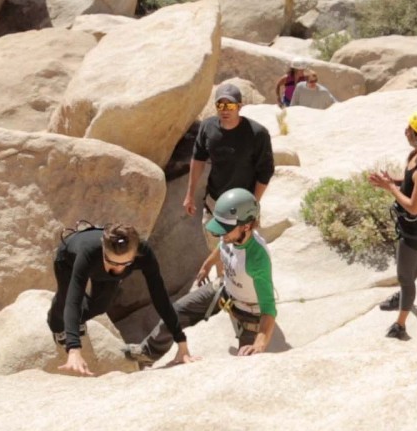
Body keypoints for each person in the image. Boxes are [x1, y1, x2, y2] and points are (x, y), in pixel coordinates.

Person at [125, 188, 278, 366]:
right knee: (175, 312)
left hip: (249, 314)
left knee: (246, 363)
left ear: (247, 225)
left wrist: (259, 344)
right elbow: (223, 247)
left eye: (225, 230)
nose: (221, 233)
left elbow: (269, 309)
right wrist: (207, 265)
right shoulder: (231, 234)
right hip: (225, 289)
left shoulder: (257, 259)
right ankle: (148, 352)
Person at [48, 221, 189, 375]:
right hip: (69, 260)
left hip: (99, 266)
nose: (118, 269)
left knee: (99, 307)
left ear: (135, 254)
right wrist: (73, 349)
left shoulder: (144, 253)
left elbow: (160, 296)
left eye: (126, 263)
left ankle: (77, 319)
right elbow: (73, 301)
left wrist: (181, 341)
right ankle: (55, 322)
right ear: (103, 249)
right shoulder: (89, 252)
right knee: (66, 299)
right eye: (112, 262)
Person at [368, 109, 417, 340]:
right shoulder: (416, 154)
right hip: (407, 225)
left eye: (410, 129)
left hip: (415, 229)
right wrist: (394, 182)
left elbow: (413, 207)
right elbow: (409, 182)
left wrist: (389, 188)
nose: (406, 131)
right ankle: (403, 296)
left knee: (405, 277)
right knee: (405, 265)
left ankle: (400, 326)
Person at [183, 83, 274, 220]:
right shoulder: (207, 127)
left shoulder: (257, 134)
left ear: (239, 106)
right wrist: (189, 195)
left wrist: (254, 204)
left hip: (243, 204)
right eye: (220, 105)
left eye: (230, 105)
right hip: (214, 202)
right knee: (213, 240)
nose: (225, 110)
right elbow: (198, 159)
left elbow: (266, 171)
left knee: (243, 242)